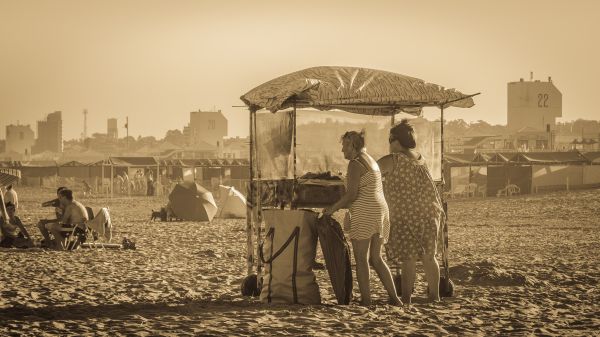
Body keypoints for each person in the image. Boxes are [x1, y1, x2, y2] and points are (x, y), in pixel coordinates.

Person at [323, 131, 402, 306]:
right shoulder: (371, 160)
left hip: (365, 211)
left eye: (344, 145)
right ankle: (395, 298)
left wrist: (332, 209)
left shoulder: (354, 163)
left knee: (361, 258)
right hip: (380, 209)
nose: (342, 149)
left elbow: (351, 195)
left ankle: (367, 300)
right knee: (376, 258)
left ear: (352, 145)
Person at [378, 119, 444, 304]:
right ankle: (434, 296)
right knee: (429, 257)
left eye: (390, 140)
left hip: (407, 215)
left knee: (409, 258)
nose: (389, 144)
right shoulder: (421, 159)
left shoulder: (393, 160)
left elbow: (369, 172)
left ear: (395, 141)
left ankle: (406, 298)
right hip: (430, 213)